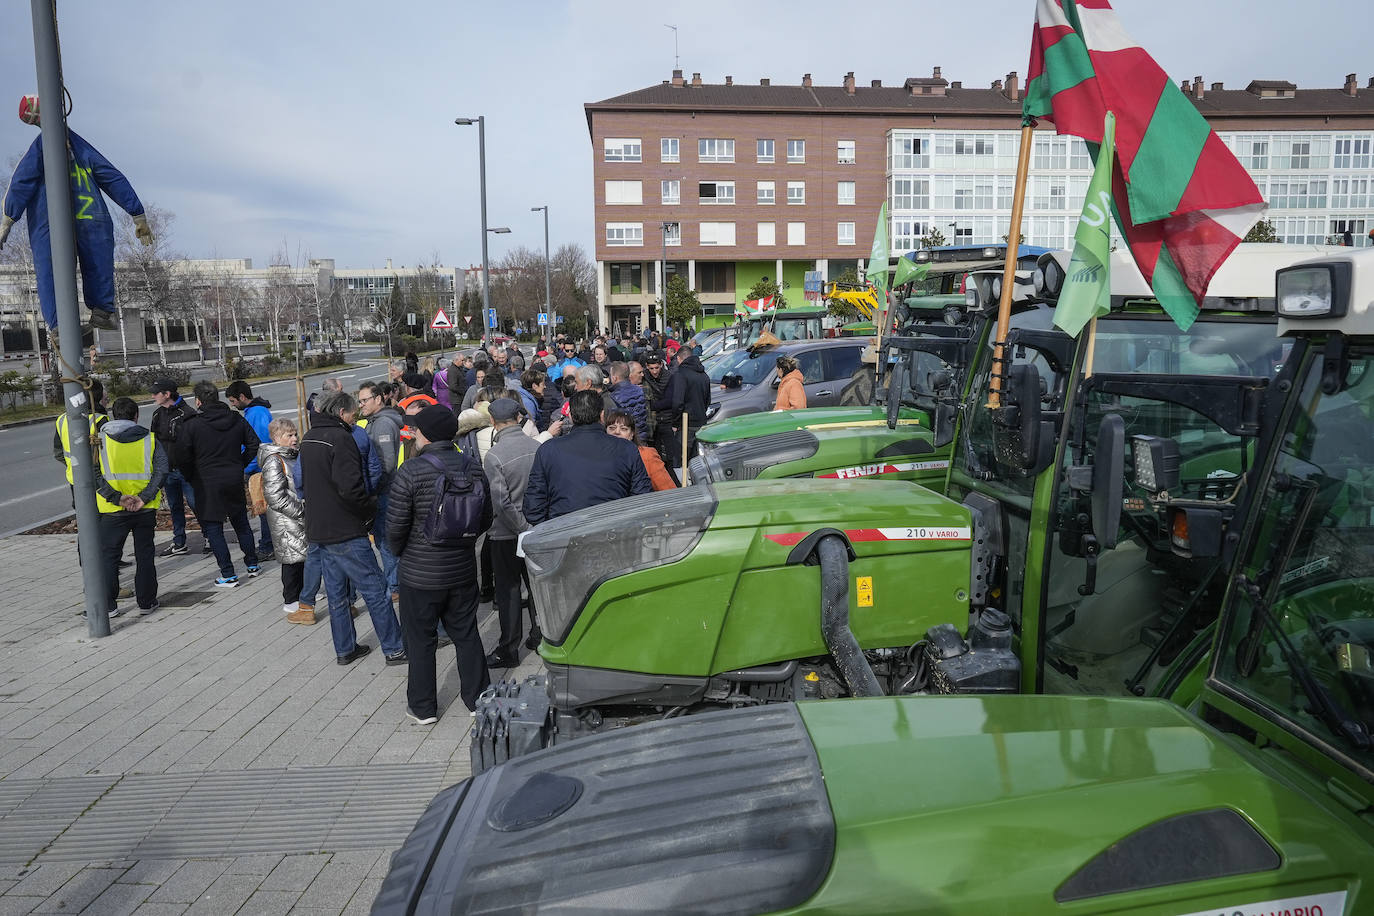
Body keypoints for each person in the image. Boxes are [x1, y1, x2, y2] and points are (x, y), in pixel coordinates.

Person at [0, 94, 152, 332]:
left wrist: (8, 219)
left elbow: (21, 181)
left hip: (51, 220)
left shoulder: (47, 147)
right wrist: (136, 213)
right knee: (93, 261)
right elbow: (111, 176)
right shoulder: (73, 147)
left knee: (51, 268)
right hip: (89, 215)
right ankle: (99, 311)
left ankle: (63, 324)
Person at [385, 405, 492, 722]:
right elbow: (486, 517)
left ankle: (423, 707)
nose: (413, 435)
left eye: (416, 430)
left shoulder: (412, 471)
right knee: (467, 634)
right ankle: (478, 699)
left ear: (425, 434)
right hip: (461, 569)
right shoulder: (473, 467)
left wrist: (404, 552)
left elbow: (395, 528)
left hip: (419, 574)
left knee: (420, 641)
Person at [299, 391, 407, 666]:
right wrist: (368, 510)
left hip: (319, 527)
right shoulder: (341, 439)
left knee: (336, 595)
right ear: (340, 413)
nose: (354, 417)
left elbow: (303, 481)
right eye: (351, 414)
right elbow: (351, 488)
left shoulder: (309, 437)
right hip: (345, 528)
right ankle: (394, 648)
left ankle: (345, 649)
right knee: (375, 589)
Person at [524, 390, 651, 524]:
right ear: (602, 415)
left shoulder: (548, 450)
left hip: (568, 532)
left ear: (571, 417)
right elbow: (641, 497)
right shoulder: (626, 448)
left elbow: (534, 505)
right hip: (609, 532)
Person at [178, 381, 260, 588]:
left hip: (206, 481)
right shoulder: (235, 419)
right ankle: (252, 564)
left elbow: (182, 457)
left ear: (198, 401)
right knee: (241, 522)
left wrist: (191, 475)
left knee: (213, 528)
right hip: (232, 476)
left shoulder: (192, 425)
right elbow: (254, 443)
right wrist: (239, 463)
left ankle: (228, 573)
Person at [93, 397, 166, 617]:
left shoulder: (98, 440)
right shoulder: (150, 439)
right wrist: (144, 497)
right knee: (145, 556)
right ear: (136, 416)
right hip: (144, 508)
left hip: (112, 510)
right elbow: (161, 470)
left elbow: (94, 474)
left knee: (109, 557)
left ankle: (109, 606)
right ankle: (146, 602)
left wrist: (116, 498)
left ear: (114, 415)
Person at [483, 398, 543, 660]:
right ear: (519, 418)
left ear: (493, 422)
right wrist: (530, 527)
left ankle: (509, 647)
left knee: (508, 591)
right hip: (536, 528)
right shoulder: (536, 447)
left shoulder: (494, 456)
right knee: (537, 587)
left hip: (506, 534)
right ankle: (539, 635)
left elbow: (500, 502)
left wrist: (520, 528)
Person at [258, 418, 313, 624]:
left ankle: (305, 593)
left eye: (295, 434)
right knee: (292, 559)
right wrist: (301, 510)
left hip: (297, 516)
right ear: (276, 438)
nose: (294, 438)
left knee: (302, 556)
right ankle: (291, 599)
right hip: (287, 518)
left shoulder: (292, 456)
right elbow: (275, 496)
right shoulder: (274, 460)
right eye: (289, 435)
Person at [359, 380, 405, 598]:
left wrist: (372, 487)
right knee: (383, 539)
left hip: (384, 490)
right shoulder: (374, 421)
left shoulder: (383, 423)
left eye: (365, 400)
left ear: (378, 399)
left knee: (385, 540)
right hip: (382, 490)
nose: (361, 405)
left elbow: (386, 463)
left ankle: (395, 586)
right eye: (359, 402)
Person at [225, 380, 275, 560]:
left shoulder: (256, 413)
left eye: (233, 401)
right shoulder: (253, 412)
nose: (233, 405)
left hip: (258, 468)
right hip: (256, 466)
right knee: (263, 508)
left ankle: (268, 545)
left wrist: (248, 467)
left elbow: (259, 444)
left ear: (242, 397)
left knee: (262, 508)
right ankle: (268, 544)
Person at [149, 379, 198, 557]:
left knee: (196, 504)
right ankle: (179, 542)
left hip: (186, 470)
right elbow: (153, 442)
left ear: (167, 394)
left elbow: (194, 443)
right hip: (167, 470)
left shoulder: (188, 414)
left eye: (156, 393)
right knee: (175, 506)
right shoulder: (157, 415)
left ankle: (210, 536)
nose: (153, 396)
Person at [659, 343, 711, 466]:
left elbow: (677, 402)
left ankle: (682, 485)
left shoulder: (680, 374)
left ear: (678, 358)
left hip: (686, 425)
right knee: (696, 461)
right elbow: (707, 400)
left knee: (680, 460)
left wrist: (675, 423)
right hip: (701, 423)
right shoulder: (704, 375)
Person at [605, 409, 676, 492]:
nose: (617, 432)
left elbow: (668, 490)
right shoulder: (599, 456)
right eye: (612, 428)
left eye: (623, 429)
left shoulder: (646, 455)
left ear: (632, 434)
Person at [607, 361, 649, 441]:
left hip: (625, 439)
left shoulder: (614, 396)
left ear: (614, 377)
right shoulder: (639, 390)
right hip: (641, 436)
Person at [641, 353, 669, 458]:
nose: (654, 371)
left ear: (661, 365)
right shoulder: (645, 377)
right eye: (651, 368)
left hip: (666, 419)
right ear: (647, 367)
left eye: (657, 368)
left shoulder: (668, 377)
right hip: (652, 421)